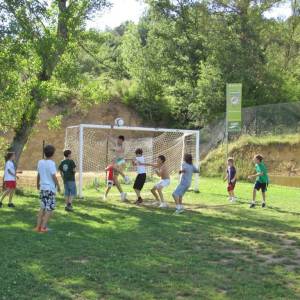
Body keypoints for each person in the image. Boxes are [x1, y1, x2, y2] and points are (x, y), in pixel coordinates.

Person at [35, 145, 60, 233]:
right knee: (49, 209)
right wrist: (59, 186)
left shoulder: (40, 162)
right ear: (52, 154)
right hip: (50, 189)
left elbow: (38, 174)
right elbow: (54, 176)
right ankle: (43, 227)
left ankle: (38, 227)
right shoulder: (52, 163)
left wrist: (37, 184)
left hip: (43, 188)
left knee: (42, 207)